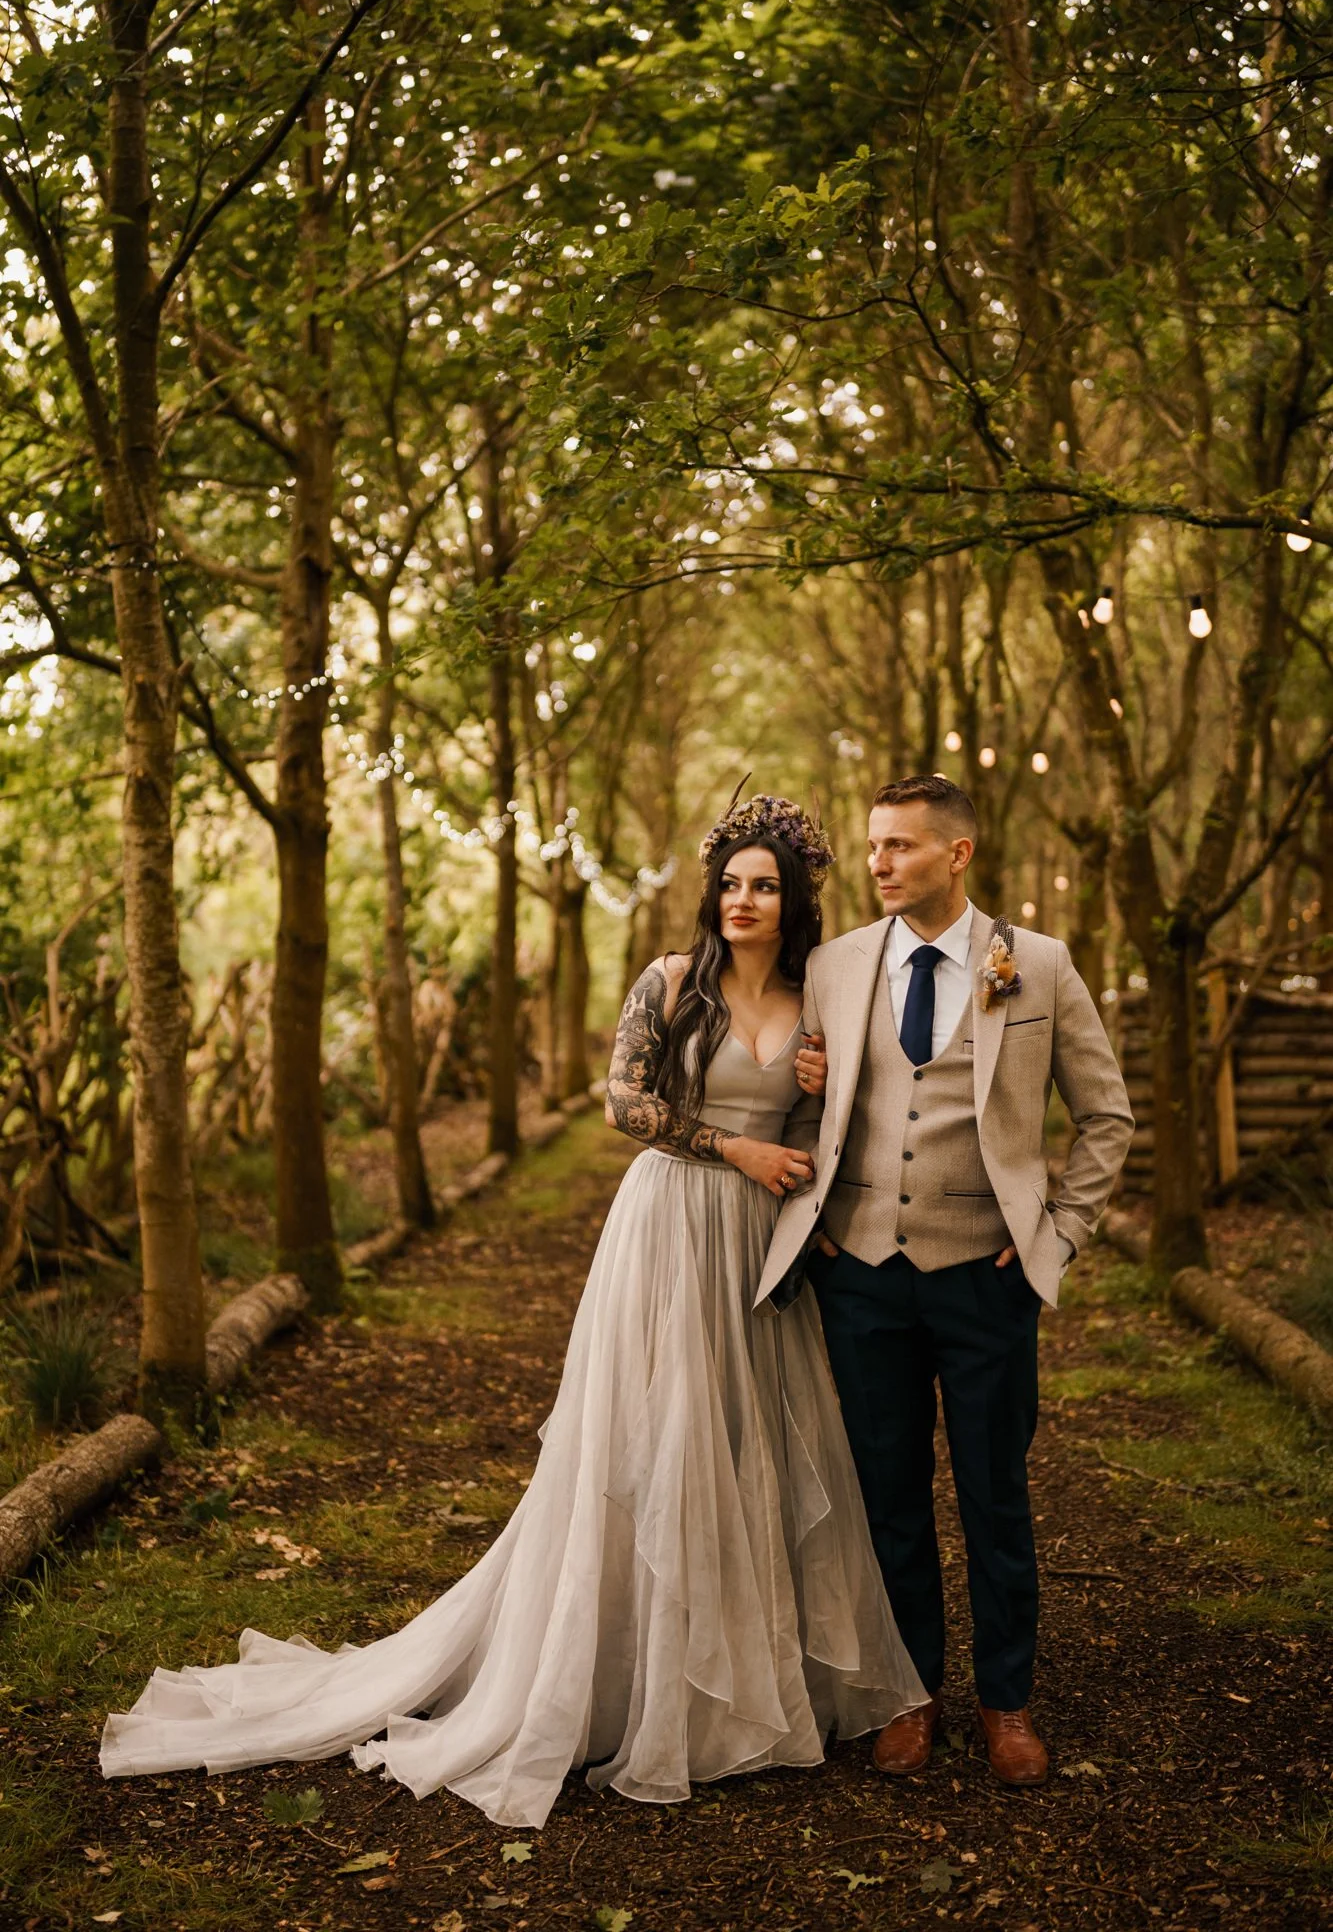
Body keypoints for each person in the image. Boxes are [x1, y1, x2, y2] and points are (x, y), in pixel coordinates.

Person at [100, 793, 925, 1828]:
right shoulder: (672, 982)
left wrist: (812, 1088)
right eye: (729, 882)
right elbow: (623, 1102)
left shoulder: (818, 1000)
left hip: (761, 1247)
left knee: (747, 1445)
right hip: (670, 1232)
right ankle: (635, 1680)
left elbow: (829, 1128)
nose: (743, 900)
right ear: (710, 891)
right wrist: (734, 1146)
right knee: (656, 1443)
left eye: (764, 884)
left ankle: (745, 1682)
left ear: (793, 896)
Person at [757, 776, 1133, 1787]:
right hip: (862, 1276)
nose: (877, 862)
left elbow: (1106, 1114)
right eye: (873, 844)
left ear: (955, 854)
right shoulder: (834, 966)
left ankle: (1003, 1701)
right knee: (887, 1496)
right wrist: (817, 1211)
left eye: (899, 846)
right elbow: (793, 1095)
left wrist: (1058, 1232)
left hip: (986, 1278)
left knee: (994, 1494)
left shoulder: (1037, 963)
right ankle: (908, 1692)